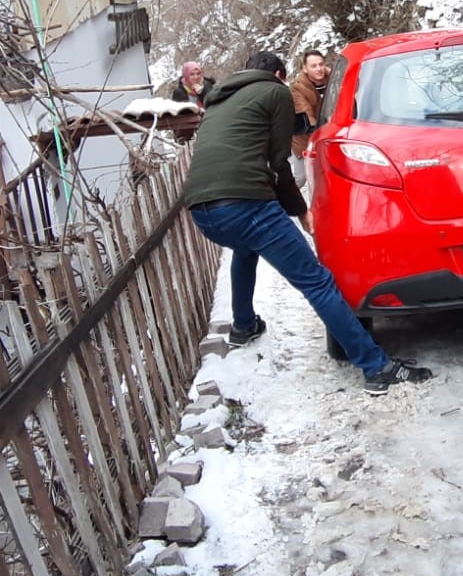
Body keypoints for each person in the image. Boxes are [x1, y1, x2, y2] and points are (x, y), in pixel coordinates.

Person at [181, 51, 433, 395]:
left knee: (244, 248)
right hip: (246, 202)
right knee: (316, 282)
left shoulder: (219, 99)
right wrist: (301, 211)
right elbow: (279, 163)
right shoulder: (276, 93)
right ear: (281, 73)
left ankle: (243, 326)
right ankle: (376, 367)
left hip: (202, 209)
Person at [288, 49, 330, 194]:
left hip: (327, 136)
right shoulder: (298, 88)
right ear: (305, 69)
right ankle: (276, 200)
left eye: (321, 64)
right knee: (302, 178)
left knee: (323, 177)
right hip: (303, 139)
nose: (319, 69)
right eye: (313, 66)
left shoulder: (334, 78)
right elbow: (307, 116)